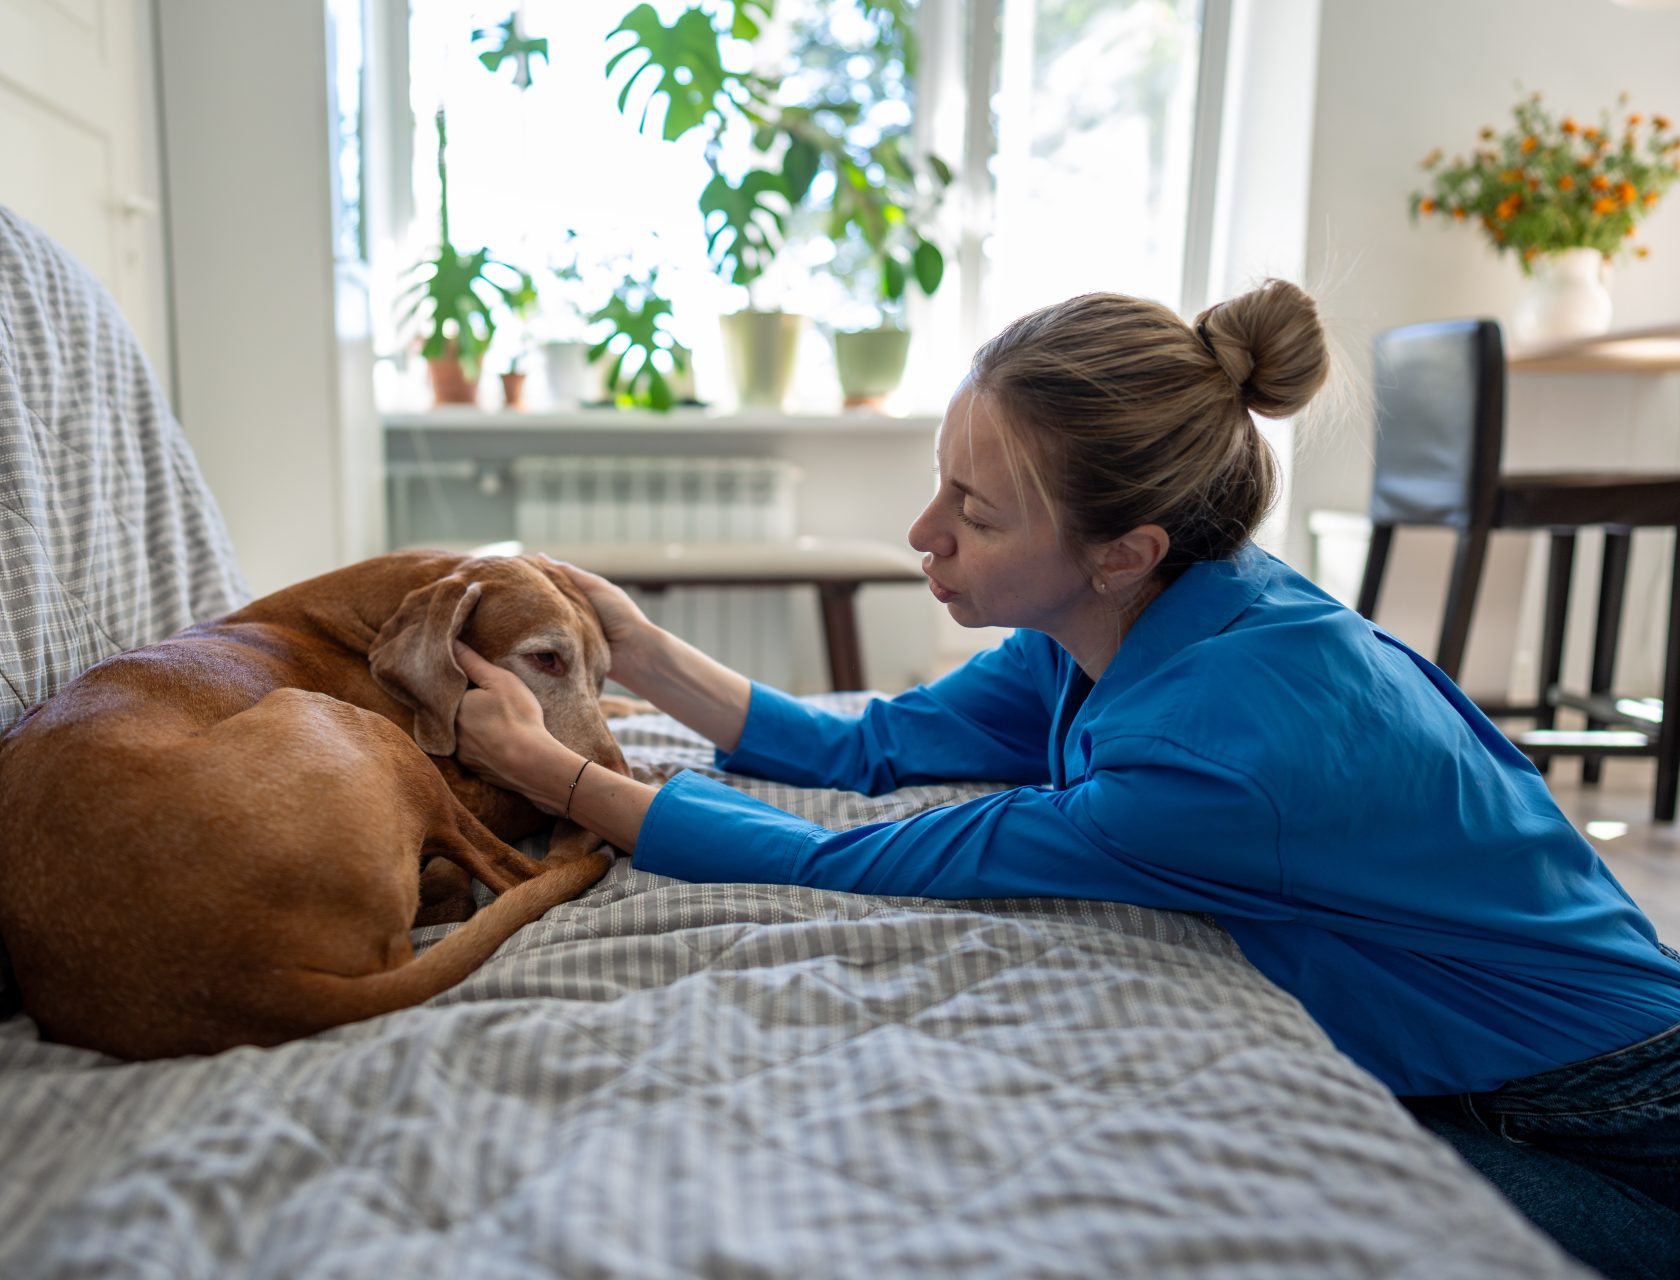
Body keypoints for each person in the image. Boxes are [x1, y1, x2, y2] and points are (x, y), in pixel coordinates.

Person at [449, 279, 1680, 1278]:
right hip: (1519, 1071)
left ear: (1121, 548)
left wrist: (553, 773)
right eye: (941, 482)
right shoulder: (1122, 618)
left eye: (973, 513)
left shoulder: (1214, 758)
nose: (924, 533)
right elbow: (866, 748)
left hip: (1617, 1128)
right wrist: (641, 649)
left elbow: (849, 859)